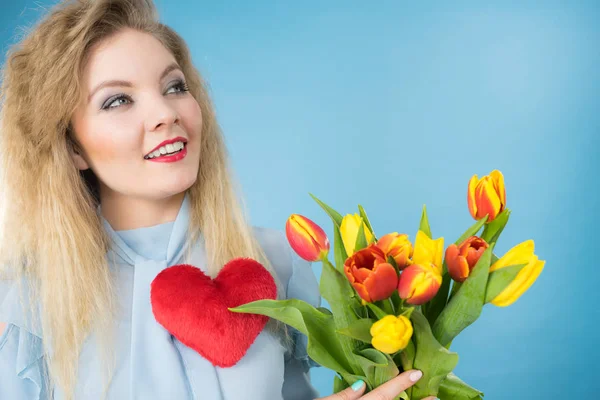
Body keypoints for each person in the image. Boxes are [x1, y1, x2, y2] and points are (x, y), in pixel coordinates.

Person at [0, 0, 436, 399]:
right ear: (73, 147)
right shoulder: (26, 303)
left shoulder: (277, 261)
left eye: (173, 86)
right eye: (118, 100)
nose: (165, 113)